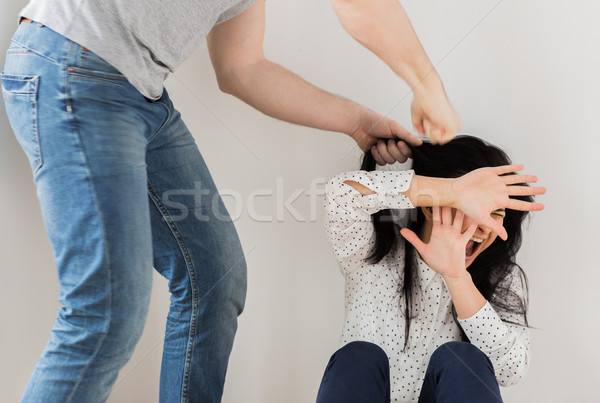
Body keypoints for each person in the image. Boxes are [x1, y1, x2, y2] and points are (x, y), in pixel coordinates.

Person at [2, 0, 459, 401]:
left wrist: (359, 122)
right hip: (74, 68)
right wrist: (428, 86)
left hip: (138, 94)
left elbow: (242, 68)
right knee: (106, 315)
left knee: (215, 279)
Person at [317, 136, 546, 402]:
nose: (485, 226)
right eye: (473, 207)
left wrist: (457, 277)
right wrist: (450, 189)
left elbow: (511, 370)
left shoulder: (500, 276)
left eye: (496, 212)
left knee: (462, 359)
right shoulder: (372, 255)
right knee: (358, 357)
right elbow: (340, 193)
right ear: (429, 205)